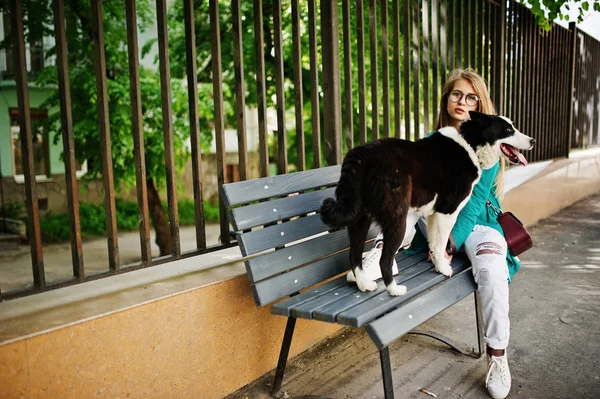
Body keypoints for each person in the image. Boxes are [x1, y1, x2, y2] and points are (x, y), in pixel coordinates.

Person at [357, 68, 518, 399]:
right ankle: (379, 253)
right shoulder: (434, 141)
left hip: (475, 225)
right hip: (432, 221)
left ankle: (498, 356)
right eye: (456, 94)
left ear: (481, 103)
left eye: (471, 97)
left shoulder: (488, 141)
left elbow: (471, 207)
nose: (462, 101)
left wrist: (449, 242)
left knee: (491, 268)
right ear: (446, 99)